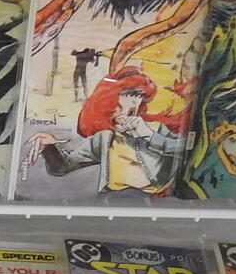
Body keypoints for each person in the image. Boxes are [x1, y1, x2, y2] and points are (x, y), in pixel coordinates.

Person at [31, 71, 185, 194]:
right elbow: (61, 167)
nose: (135, 102)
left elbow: (187, 149)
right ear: (111, 100)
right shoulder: (105, 138)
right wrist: (49, 147)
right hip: (112, 199)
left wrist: (151, 136)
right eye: (130, 95)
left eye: (140, 96)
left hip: (155, 201)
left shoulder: (155, 128)